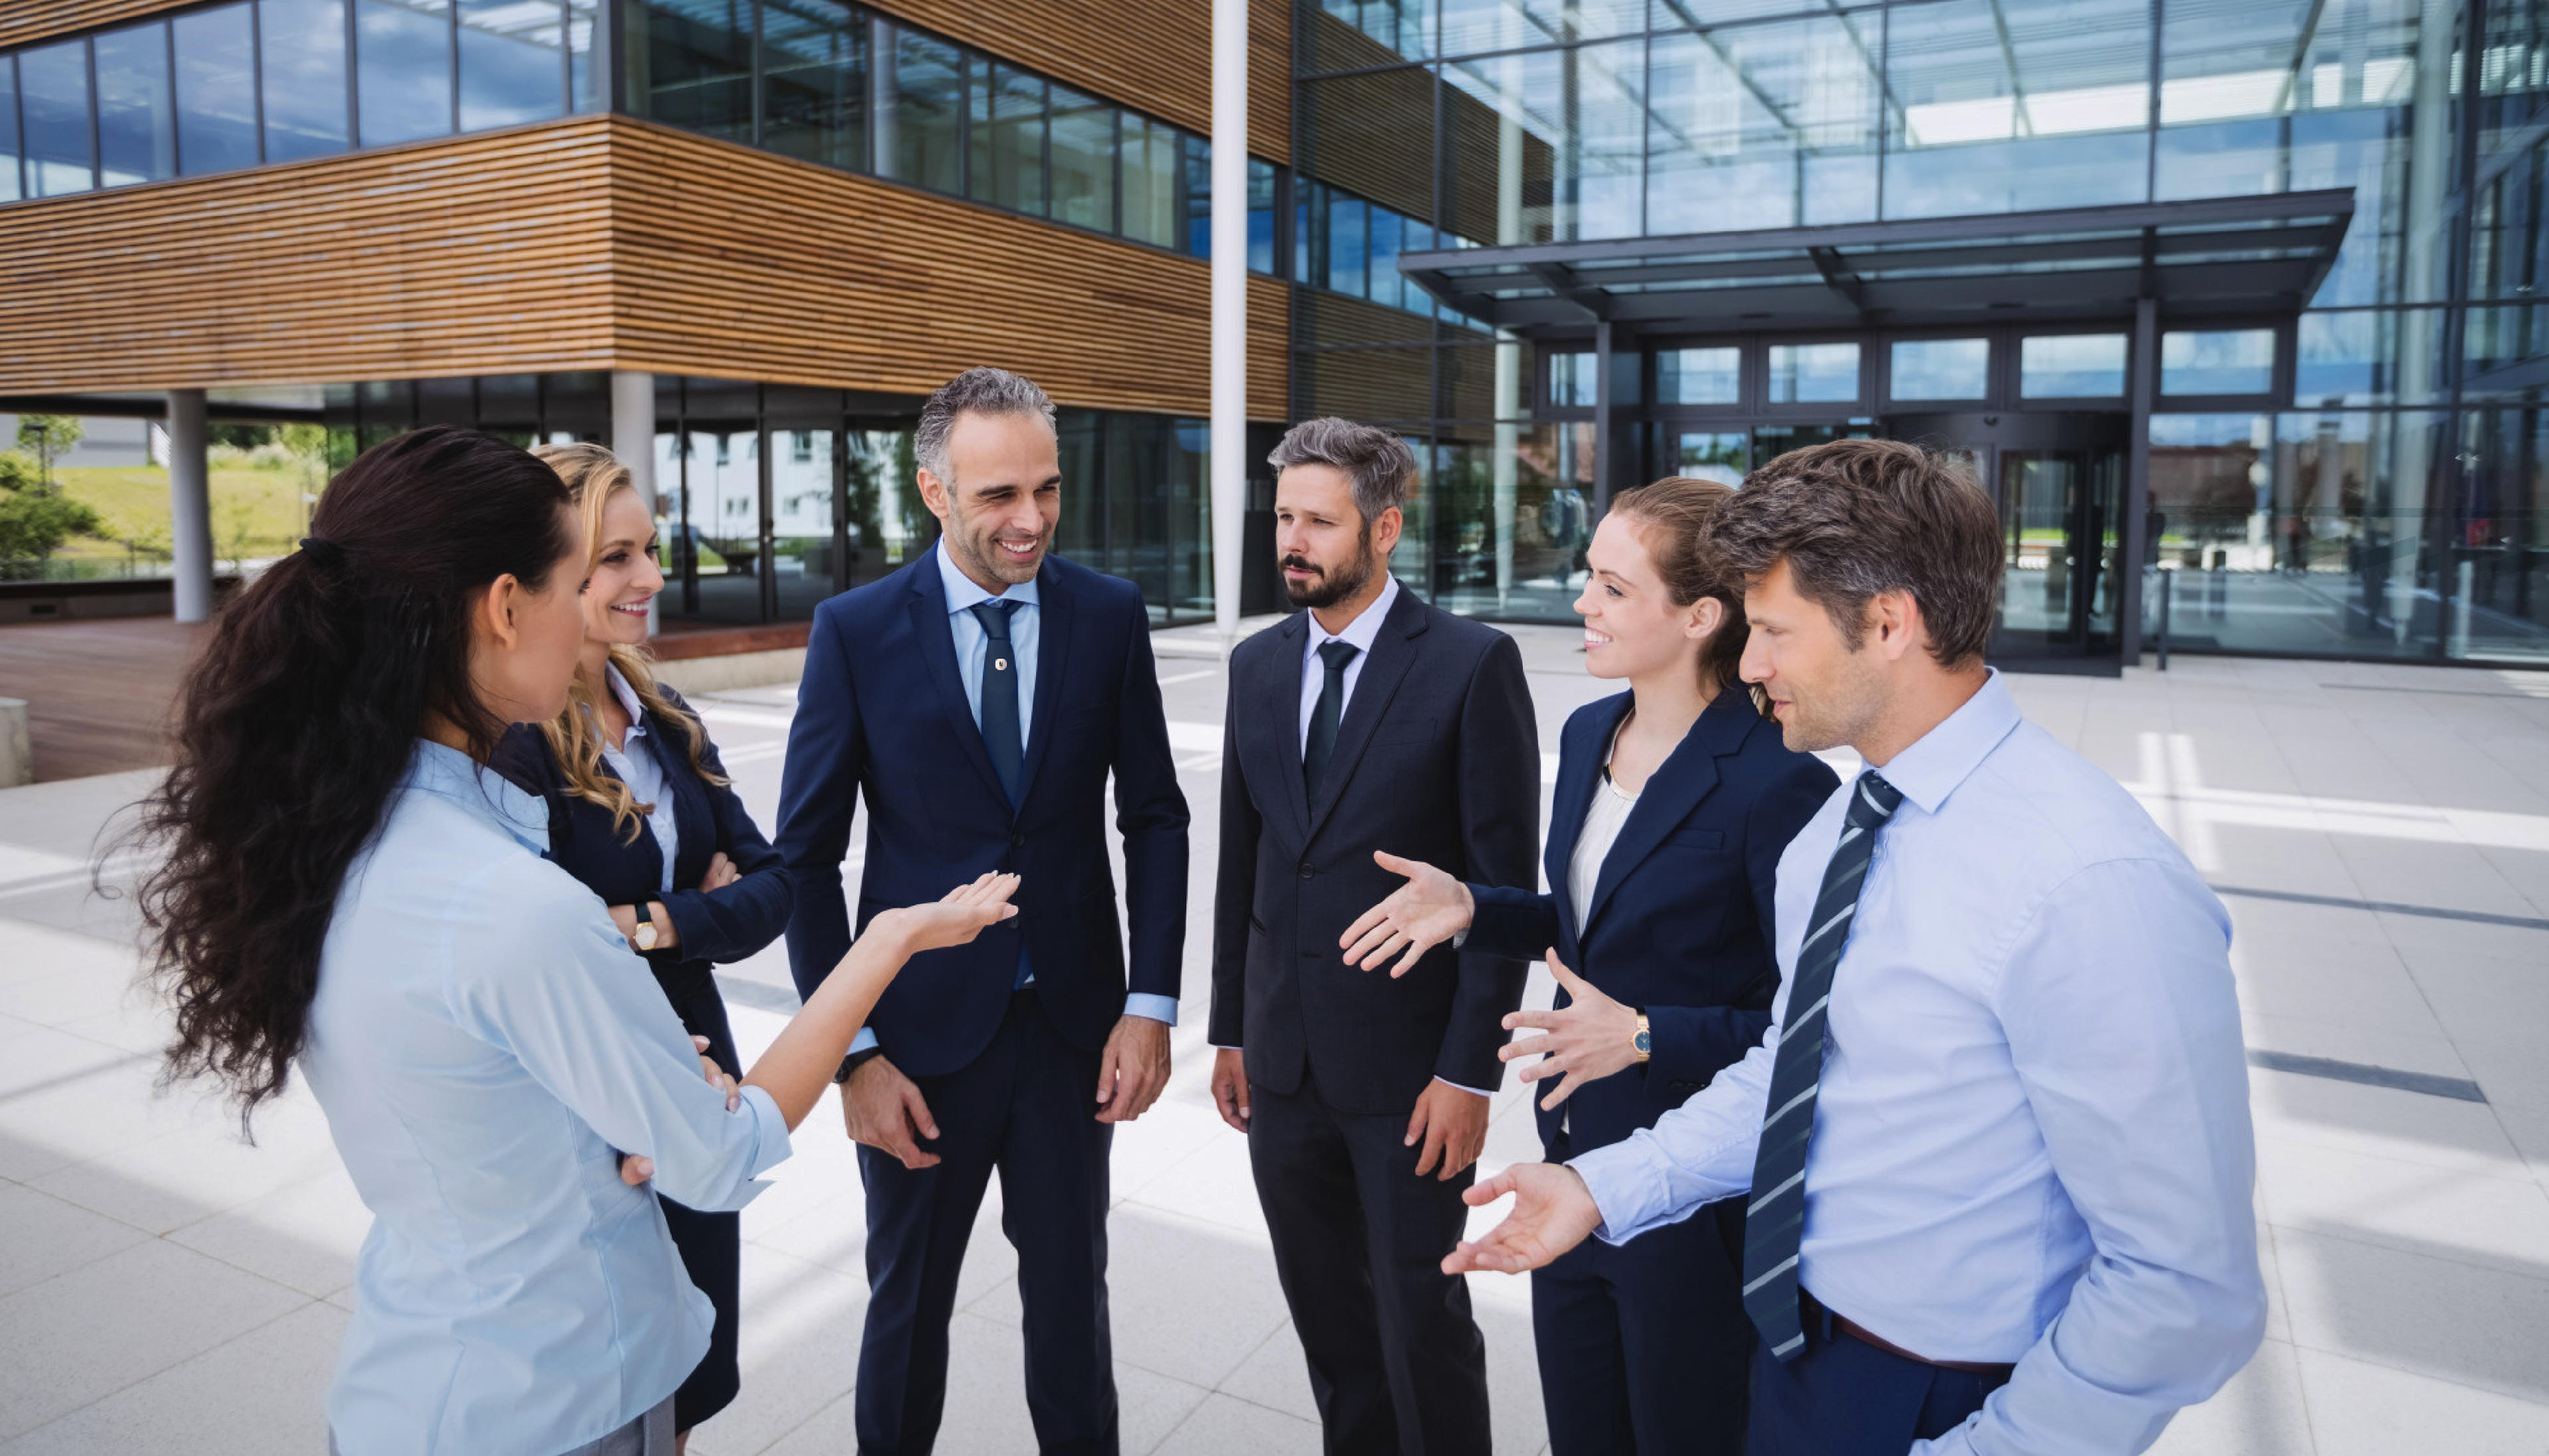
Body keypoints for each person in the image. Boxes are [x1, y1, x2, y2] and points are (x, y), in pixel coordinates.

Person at [130, 425, 1018, 1456]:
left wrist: (619, 1046)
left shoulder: (331, 841)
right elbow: (719, 1158)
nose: (634, 590)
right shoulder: (515, 904)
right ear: (508, 606)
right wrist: (891, 942)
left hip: (408, 1386)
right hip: (559, 1400)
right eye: (582, 574)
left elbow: (466, 1065)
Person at [1445, 439, 2266, 1455]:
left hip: (1957, 1398)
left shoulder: (2091, 883)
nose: (1748, 667)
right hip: (1798, 1347)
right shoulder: (1840, 833)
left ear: (1889, 622)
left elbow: (2186, 1284)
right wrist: (1604, 1187)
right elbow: (1793, 1078)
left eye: (1775, 631)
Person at [1340, 476, 1836, 1455]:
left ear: (1700, 615)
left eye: (1612, 586)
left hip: (1694, 1197)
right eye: (1588, 577)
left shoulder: (1783, 777)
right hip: (1568, 1162)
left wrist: (1648, 1032)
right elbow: (1590, 927)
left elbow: (1812, 1031)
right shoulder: (1585, 733)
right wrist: (1476, 907)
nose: (1582, 602)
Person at [774, 367, 1189, 1456]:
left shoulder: (1107, 613)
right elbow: (806, 862)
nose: (1032, 519)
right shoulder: (855, 631)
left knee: (1071, 1309)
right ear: (933, 492)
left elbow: (1156, 815)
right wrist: (853, 1053)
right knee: (905, 1312)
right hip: (915, 1047)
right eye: (1000, 494)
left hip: (1072, 1032)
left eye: (1047, 489)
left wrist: (1149, 1003)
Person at [1209, 417, 1539, 1455]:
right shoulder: (1256, 664)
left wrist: (1469, 1076)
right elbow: (1245, 859)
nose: (1291, 541)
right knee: (1332, 1327)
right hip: (1283, 1062)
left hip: (1411, 1080)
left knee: (1418, 1323)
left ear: (1385, 527)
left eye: (1318, 520)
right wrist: (1229, 1030)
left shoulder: (1473, 664)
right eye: (1282, 518)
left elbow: (1501, 889)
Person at [496, 442, 792, 1447]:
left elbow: (778, 883)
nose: (651, 580)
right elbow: (536, 935)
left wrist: (653, 921)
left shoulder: (663, 711)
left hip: (697, 1076)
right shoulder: (510, 743)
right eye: (617, 556)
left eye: (651, 551)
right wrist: (682, 909)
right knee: (611, 1385)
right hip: (587, 1096)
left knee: (690, 1370)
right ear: (546, 572)